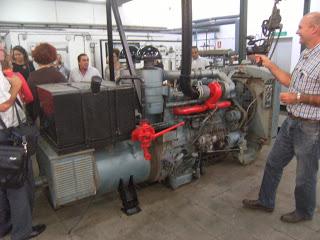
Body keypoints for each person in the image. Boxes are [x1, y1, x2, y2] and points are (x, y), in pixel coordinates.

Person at [242, 12, 320, 223]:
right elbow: (290, 80)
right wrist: (269, 64)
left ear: (314, 29)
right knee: (273, 162)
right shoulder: (306, 54)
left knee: (305, 175)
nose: (297, 31)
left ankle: (304, 212)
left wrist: (298, 97)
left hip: (311, 127)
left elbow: (298, 93)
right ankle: (265, 201)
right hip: (292, 121)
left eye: (301, 27)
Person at [0, 43, 46, 240]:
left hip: (5, 134)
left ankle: (6, 225)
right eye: (1, 48)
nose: (5, 52)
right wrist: (15, 88)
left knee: (5, 183)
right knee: (19, 184)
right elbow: (3, 106)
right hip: (8, 135)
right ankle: (21, 232)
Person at [27, 43, 67, 122]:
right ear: (52, 56)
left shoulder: (32, 76)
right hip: (58, 115)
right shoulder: (58, 75)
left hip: (41, 115)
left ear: (36, 58)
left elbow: (31, 99)